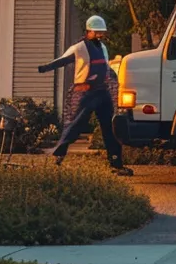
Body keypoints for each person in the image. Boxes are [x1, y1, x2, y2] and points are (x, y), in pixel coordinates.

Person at [39, 15, 132, 175]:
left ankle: (116, 164)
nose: (100, 35)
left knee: (111, 128)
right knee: (74, 125)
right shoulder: (79, 48)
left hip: (102, 93)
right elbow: (62, 61)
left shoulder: (103, 48)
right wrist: (45, 68)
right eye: (96, 32)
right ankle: (57, 156)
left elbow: (106, 67)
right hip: (85, 93)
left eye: (101, 32)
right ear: (88, 31)